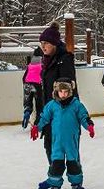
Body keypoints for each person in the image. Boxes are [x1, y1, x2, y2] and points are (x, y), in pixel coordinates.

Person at [33, 22, 88, 174]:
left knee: (70, 149)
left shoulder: (64, 60)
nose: (43, 46)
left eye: (46, 43)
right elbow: (44, 90)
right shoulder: (46, 60)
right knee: (49, 145)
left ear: (55, 44)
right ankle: (54, 175)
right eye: (41, 43)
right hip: (50, 111)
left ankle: (76, 178)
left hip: (65, 112)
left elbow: (68, 88)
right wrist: (40, 116)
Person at [30, 80, 94, 189]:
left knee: (73, 163)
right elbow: (43, 118)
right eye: (61, 92)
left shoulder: (76, 105)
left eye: (66, 92)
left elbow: (84, 116)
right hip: (57, 141)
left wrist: (89, 126)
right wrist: (36, 127)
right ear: (57, 92)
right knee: (57, 163)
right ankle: (54, 186)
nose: (63, 94)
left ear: (70, 92)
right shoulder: (52, 105)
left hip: (71, 141)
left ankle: (77, 186)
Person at [21, 49, 44, 129]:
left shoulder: (31, 63)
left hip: (27, 83)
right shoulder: (43, 62)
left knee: (28, 102)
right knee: (39, 105)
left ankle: (27, 111)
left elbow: (24, 77)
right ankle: (37, 124)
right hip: (37, 84)